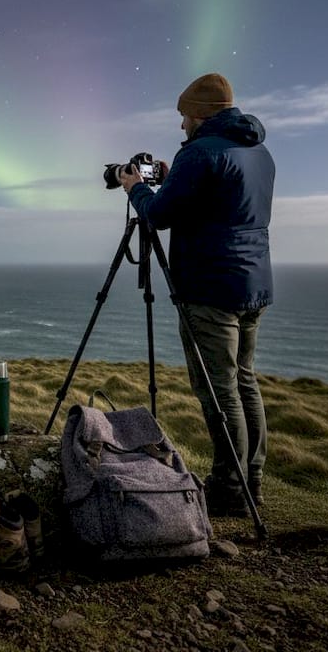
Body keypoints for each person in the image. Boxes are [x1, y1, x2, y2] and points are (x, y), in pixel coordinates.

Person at [116, 72, 275, 517]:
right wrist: (174, 179)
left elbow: (160, 215)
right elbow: (221, 204)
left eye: (184, 115)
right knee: (244, 381)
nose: (181, 124)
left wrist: (136, 188)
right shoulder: (259, 152)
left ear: (200, 114)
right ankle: (252, 479)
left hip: (209, 287)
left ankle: (229, 488)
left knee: (219, 389)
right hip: (253, 283)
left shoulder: (200, 153)